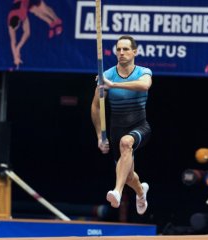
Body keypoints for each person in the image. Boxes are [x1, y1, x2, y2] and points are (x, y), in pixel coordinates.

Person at [91, 35, 152, 215]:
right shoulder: (106, 75)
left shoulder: (143, 72)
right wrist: (100, 136)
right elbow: (95, 106)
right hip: (116, 130)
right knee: (128, 177)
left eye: (125, 49)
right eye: (118, 49)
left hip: (140, 126)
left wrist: (114, 85)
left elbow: (145, 86)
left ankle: (116, 192)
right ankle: (141, 192)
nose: (121, 53)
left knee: (126, 143)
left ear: (134, 51)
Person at [8, 0, 63, 68]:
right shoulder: (10, 22)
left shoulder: (22, 14)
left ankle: (57, 21)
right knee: (37, 13)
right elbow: (12, 41)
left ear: (19, 21)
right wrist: (15, 57)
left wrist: (18, 47)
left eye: (17, 28)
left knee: (44, 9)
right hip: (24, 3)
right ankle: (51, 23)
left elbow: (27, 33)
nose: (15, 30)